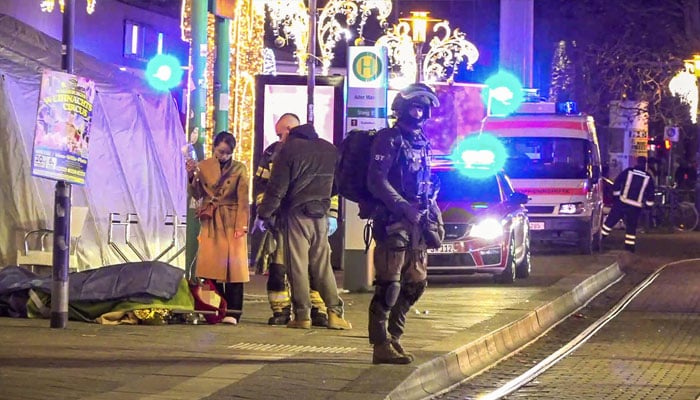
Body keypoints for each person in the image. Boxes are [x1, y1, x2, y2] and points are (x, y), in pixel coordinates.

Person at [366, 83, 443, 364]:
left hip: (419, 222)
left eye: (424, 107)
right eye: (415, 107)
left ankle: (395, 336)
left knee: (416, 283)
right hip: (393, 222)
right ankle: (380, 344)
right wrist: (401, 206)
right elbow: (376, 180)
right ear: (402, 108)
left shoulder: (422, 139)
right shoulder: (389, 139)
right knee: (389, 285)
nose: (420, 112)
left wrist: (429, 204)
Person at [255, 121, 351, 330]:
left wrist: (263, 214)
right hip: (321, 214)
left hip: (296, 214)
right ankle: (335, 313)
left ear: (290, 133)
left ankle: (302, 316)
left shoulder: (288, 150)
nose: (280, 138)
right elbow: (337, 184)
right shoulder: (329, 149)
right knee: (322, 265)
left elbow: (276, 188)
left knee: (297, 266)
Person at [186, 131, 249, 324]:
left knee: (234, 269)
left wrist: (242, 225)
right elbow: (197, 194)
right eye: (221, 151)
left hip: (231, 219)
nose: (223, 156)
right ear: (214, 148)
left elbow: (243, 198)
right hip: (211, 220)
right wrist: (190, 176)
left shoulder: (239, 168)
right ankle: (214, 308)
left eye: (227, 153)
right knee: (208, 268)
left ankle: (233, 311)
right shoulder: (204, 166)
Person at [601, 156, 655, 252]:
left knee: (610, 222)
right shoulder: (648, 177)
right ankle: (629, 248)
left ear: (637, 162)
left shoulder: (628, 171)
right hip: (635, 207)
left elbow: (617, 183)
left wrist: (616, 197)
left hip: (622, 202)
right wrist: (648, 207)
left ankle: (600, 240)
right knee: (631, 227)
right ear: (645, 164)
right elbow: (650, 194)